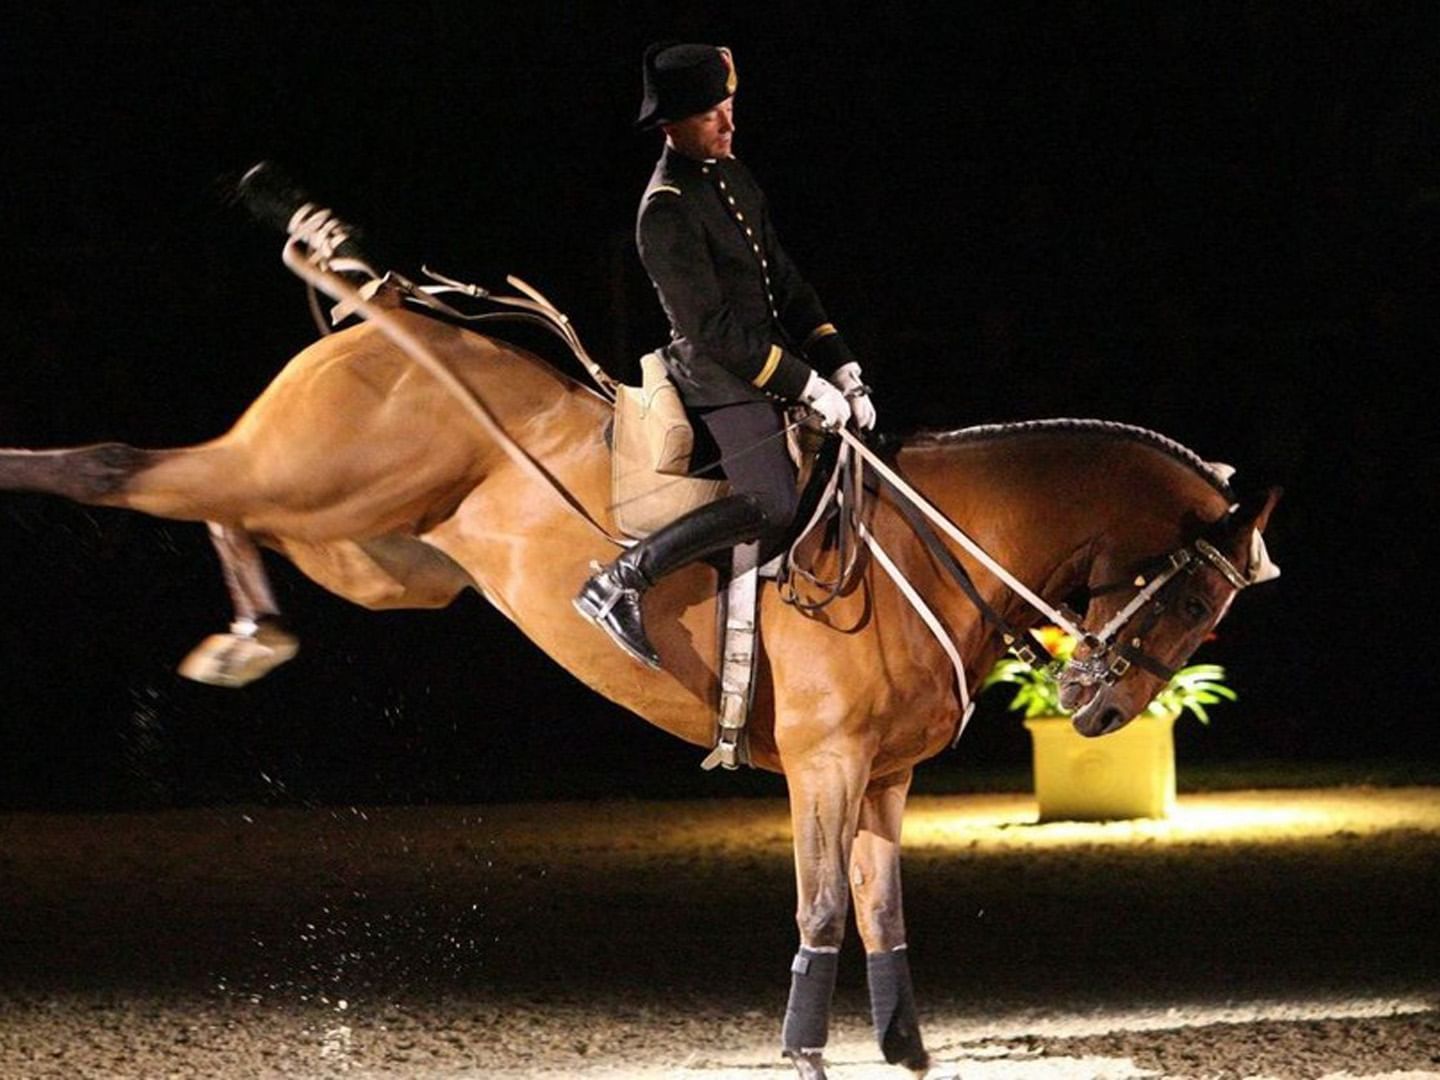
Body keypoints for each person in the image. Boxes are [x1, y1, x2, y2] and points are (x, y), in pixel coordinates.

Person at [574, 41, 877, 669]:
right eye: (713, 114)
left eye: (730, 106)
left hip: (773, 363)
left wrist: (840, 363)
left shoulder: (733, 175)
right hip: (721, 380)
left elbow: (786, 283)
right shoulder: (665, 211)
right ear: (670, 126)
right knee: (772, 503)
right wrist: (804, 384)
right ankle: (622, 580)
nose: (729, 123)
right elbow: (711, 329)